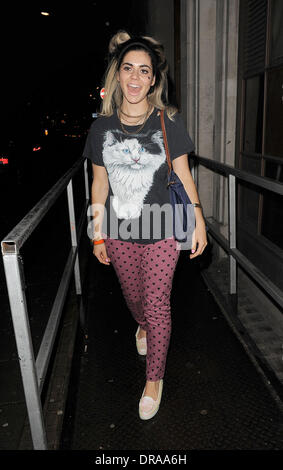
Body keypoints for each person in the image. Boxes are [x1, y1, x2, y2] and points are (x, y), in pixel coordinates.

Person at [83, 30, 207, 420]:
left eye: (144, 71)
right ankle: (141, 325)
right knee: (134, 298)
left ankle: (154, 380)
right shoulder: (100, 129)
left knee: (157, 304)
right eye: (128, 69)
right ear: (117, 75)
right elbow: (98, 184)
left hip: (163, 229)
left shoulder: (167, 121)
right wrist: (97, 232)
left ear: (153, 79)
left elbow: (185, 176)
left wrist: (198, 221)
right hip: (119, 232)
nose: (135, 78)